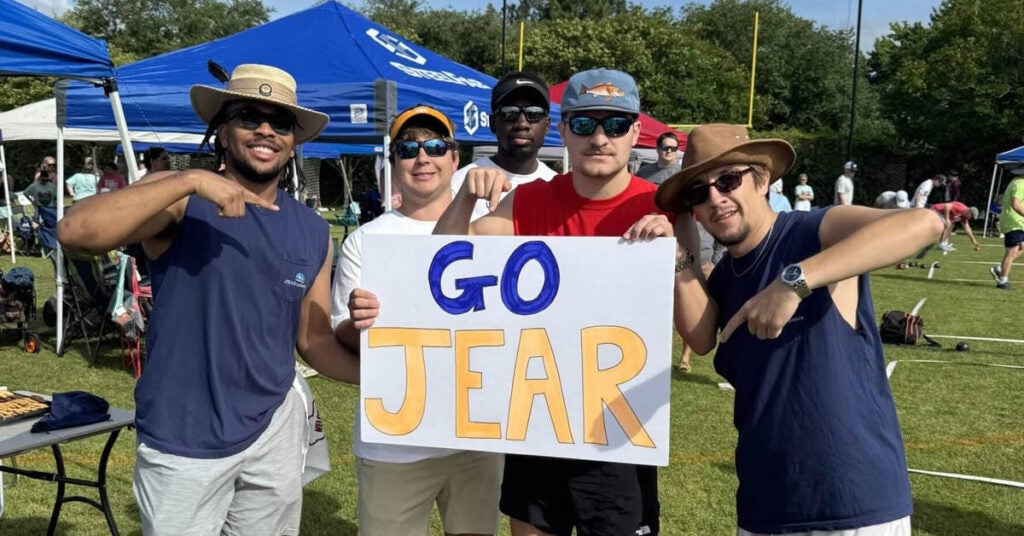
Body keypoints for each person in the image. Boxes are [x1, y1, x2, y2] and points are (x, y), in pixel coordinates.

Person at [57, 63, 360, 535]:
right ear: (221, 130)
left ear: (294, 140)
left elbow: (314, 339)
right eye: (247, 116)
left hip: (274, 429)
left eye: (280, 122)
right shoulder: (180, 200)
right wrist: (189, 181)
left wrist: (389, 379)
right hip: (184, 435)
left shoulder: (313, 229)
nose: (265, 130)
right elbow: (75, 232)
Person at [655, 123, 941, 536]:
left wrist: (793, 282)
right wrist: (680, 256)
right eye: (699, 192)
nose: (716, 198)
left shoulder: (812, 232)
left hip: (852, 502)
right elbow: (700, 341)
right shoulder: (722, 280)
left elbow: (923, 224)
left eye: (728, 180)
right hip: (765, 502)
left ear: (763, 179)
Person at [434, 67, 665, 536]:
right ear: (563, 131)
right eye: (584, 123)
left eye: (616, 124)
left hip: (617, 428)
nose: (600, 137)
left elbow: (701, 334)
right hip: (538, 416)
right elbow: (438, 264)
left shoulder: (661, 205)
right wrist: (462, 198)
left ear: (636, 133)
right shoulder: (527, 202)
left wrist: (675, 254)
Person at [332, 105, 503, 535]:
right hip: (395, 444)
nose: (422, 157)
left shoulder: (493, 231)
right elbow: (342, 334)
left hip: (478, 435)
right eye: (408, 149)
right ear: (394, 163)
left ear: (454, 158)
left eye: (434, 146)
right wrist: (359, 322)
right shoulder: (364, 240)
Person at [451, 70, 557, 221]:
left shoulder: (557, 186)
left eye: (534, 113)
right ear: (492, 123)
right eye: (510, 113)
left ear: (547, 125)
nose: (522, 124)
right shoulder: (461, 184)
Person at [990, 170, 1024, 290]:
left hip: (1017, 222)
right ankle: (1002, 281)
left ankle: (999, 268)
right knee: (1011, 252)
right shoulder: (1021, 184)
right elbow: (1016, 204)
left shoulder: (1016, 181)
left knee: (1022, 248)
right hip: (1014, 222)